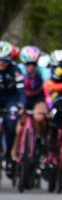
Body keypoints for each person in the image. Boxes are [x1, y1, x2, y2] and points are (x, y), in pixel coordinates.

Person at [0, 41, 22, 171]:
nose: (1, 64)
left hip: (10, 99)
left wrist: (22, 105)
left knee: (11, 126)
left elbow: (21, 90)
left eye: (4, 60)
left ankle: (8, 153)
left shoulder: (15, 70)